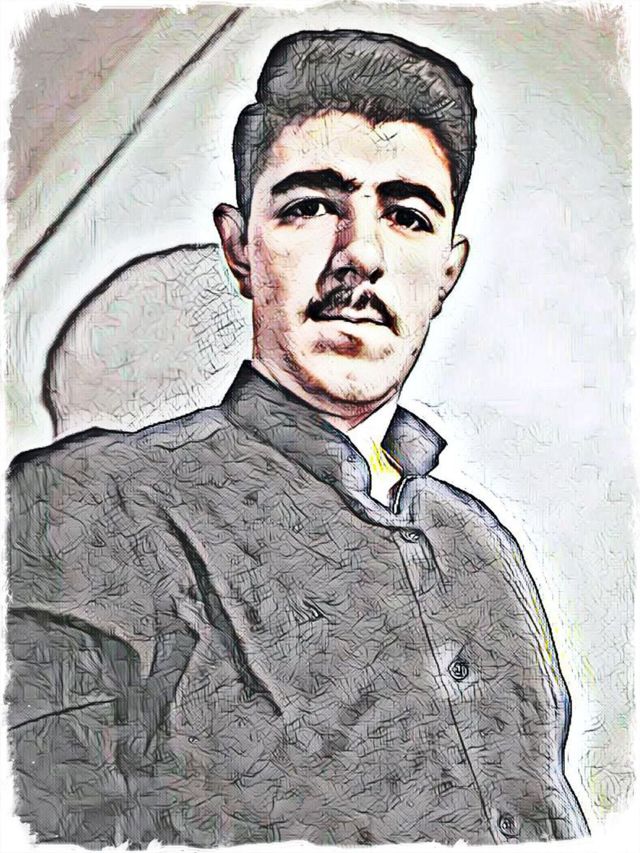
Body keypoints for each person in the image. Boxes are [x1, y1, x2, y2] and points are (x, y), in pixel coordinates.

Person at [7, 29, 589, 847]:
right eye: (311, 206)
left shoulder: (482, 545)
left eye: (408, 216)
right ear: (239, 247)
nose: (360, 254)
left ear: (447, 272)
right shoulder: (85, 501)